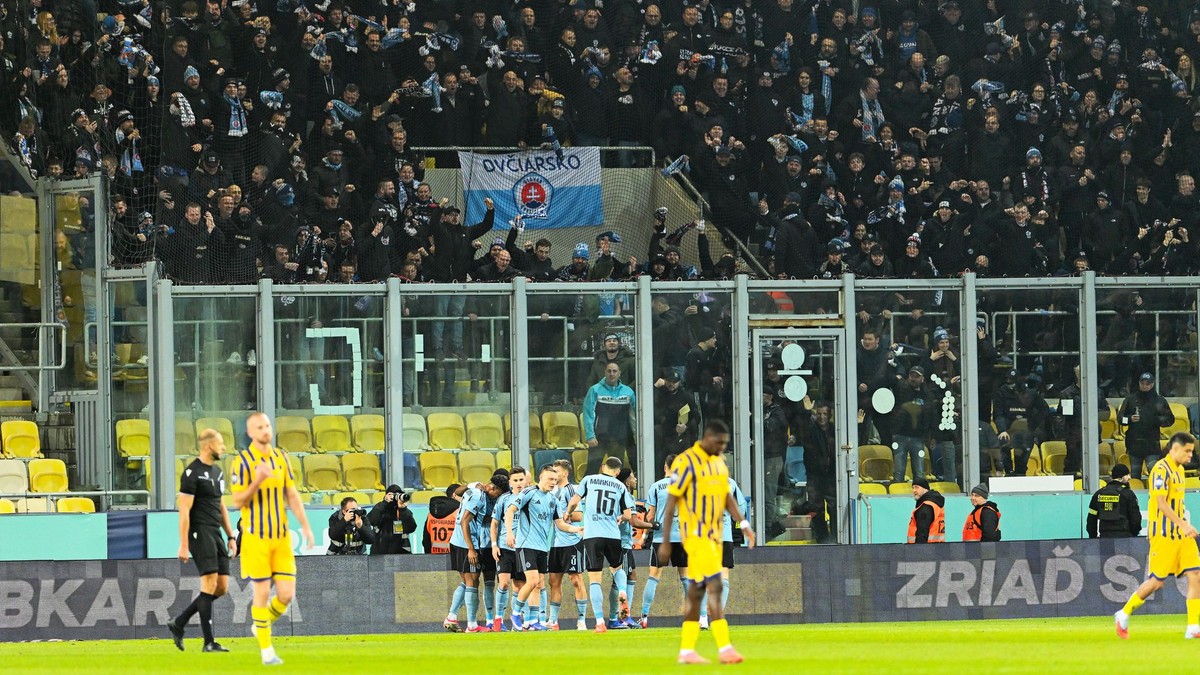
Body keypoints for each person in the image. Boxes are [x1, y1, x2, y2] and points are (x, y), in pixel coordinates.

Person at [656, 420, 756, 665]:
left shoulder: (718, 463)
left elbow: (726, 496)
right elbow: (671, 503)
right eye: (720, 443)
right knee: (716, 584)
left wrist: (743, 524)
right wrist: (667, 541)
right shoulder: (686, 461)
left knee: (697, 590)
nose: (722, 448)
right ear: (708, 438)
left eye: (725, 444)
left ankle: (687, 650)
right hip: (696, 535)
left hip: (716, 535)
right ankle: (724, 647)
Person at [229, 412, 315, 667]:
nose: (266, 430)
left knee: (287, 594)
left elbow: (291, 494)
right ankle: (267, 651)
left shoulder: (281, 457)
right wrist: (258, 479)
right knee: (262, 591)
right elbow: (237, 500)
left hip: (280, 536)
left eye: (267, 425)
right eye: (260, 427)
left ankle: (261, 623)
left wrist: (306, 526)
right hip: (256, 537)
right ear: (250, 433)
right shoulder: (242, 462)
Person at [1115, 432, 1200, 639]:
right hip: (1163, 535)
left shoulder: (1180, 471)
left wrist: (1184, 525)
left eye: (1192, 451)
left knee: (1196, 575)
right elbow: (1161, 504)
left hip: (1182, 535)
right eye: (1187, 451)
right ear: (1175, 448)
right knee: (1156, 582)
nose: (1190, 455)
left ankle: (1193, 627)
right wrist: (1183, 524)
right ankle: (1123, 614)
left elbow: (1177, 504)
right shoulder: (1160, 470)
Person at [168, 428, 237, 653]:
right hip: (199, 533)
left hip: (215, 533)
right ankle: (209, 642)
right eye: (221, 444)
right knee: (208, 585)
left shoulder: (217, 472)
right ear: (209, 446)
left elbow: (220, 506)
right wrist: (184, 543)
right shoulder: (191, 473)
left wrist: (230, 535)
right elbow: (184, 511)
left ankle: (179, 623)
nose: (224, 448)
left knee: (222, 587)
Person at [507, 465, 582, 631]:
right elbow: (510, 511)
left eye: (555, 480)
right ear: (541, 478)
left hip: (542, 547)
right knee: (532, 581)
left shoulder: (553, 500)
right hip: (526, 545)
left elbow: (560, 524)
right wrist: (509, 534)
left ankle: (533, 621)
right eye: (550, 479)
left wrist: (576, 529)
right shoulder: (529, 493)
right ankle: (515, 613)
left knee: (539, 585)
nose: (553, 482)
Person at [566, 457, 636, 632]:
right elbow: (628, 515)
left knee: (595, 579)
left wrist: (568, 513)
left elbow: (574, 501)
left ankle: (599, 622)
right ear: (618, 472)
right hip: (613, 535)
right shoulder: (620, 486)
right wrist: (620, 518)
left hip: (593, 536)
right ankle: (622, 591)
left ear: (603, 467)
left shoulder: (588, 480)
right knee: (617, 569)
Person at [445, 474, 509, 633]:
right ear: (493, 488)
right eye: (498, 493)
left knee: (471, 581)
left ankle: (452, 617)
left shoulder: (474, 490)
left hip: (459, 541)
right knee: (471, 581)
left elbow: (457, 493)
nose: (497, 497)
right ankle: (471, 625)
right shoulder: (478, 497)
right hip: (465, 543)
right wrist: (471, 549)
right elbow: (464, 521)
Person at [640, 454, 686, 629]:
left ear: (665, 467)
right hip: (682, 537)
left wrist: (644, 536)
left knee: (653, 577)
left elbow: (650, 516)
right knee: (687, 579)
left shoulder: (656, 487)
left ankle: (644, 617)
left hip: (661, 538)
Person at [548, 458, 589, 631]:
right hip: (555, 543)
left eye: (556, 471)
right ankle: (552, 621)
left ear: (565, 473)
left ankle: (581, 620)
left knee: (576, 580)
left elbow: (579, 515)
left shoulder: (571, 489)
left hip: (572, 542)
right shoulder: (551, 492)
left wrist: (566, 515)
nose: (554, 475)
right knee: (553, 582)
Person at [1117, 372, 1175, 481]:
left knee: (1154, 473)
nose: (1145, 386)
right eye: (1142, 383)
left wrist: (1158, 420)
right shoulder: (1130, 400)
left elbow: (1170, 420)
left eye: (1147, 384)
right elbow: (1120, 419)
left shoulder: (1160, 401)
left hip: (1152, 445)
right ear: (1139, 383)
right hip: (1134, 445)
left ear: (1152, 384)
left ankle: (1156, 495)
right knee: (1134, 476)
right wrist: (1129, 419)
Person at [491, 467, 528, 632]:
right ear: (510, 482)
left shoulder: (530, 498)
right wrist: (494, 544)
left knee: (519, 585)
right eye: (515, 480)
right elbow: (494, 523)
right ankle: (498, 620)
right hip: (505, 547)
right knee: (504, 583)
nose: (519, 483)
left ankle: (516, 619)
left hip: (524, 548)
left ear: (526, 480)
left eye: (521, 480)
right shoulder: (504, 499)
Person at [582, 362, 637, 475]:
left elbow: (634, 416)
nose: (612, 374)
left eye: (614, 371)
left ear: (619, 373)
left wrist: (636, 435)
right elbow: (588, 413)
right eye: (609, 371)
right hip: (598, 438)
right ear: (605, 373)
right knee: (591, 470)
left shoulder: (628, 392)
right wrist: (590, 436)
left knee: (616, 472)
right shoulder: (595, 390)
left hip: (619, 438)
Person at [1087, 464, 1142, 539]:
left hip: (1104, 537)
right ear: (1120, 477)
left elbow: (1091, 519)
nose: (1129, 477)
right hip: (1125, 537)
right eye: (1127, 475)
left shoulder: (1098, 494)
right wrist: (1133, 534)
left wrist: (1093, 537)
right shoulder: (1128, 494)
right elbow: (1135, 518)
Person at [365, 485, 415, 554]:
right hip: (380, 552)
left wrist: (403, 509)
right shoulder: (380, 509)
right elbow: (370, 520)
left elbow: (411, 528)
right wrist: (384, 503)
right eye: (392, 495)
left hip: (401, 553)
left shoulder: (403, 511)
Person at [423, 485, 461, 555]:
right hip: (455, 557)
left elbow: (426, 540)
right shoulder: (459, 513)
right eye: (462, 495)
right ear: (454, 495)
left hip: (434, 556)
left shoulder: (431, 513)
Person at [907, 478, 946, 544]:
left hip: (926, 549)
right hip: (938, 548)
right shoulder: (935, 504)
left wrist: (919, 550)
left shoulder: (925, 507)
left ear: (925, 489)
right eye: (913, 488)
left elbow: (922, 533)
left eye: (917, 487)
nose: (914, 490)